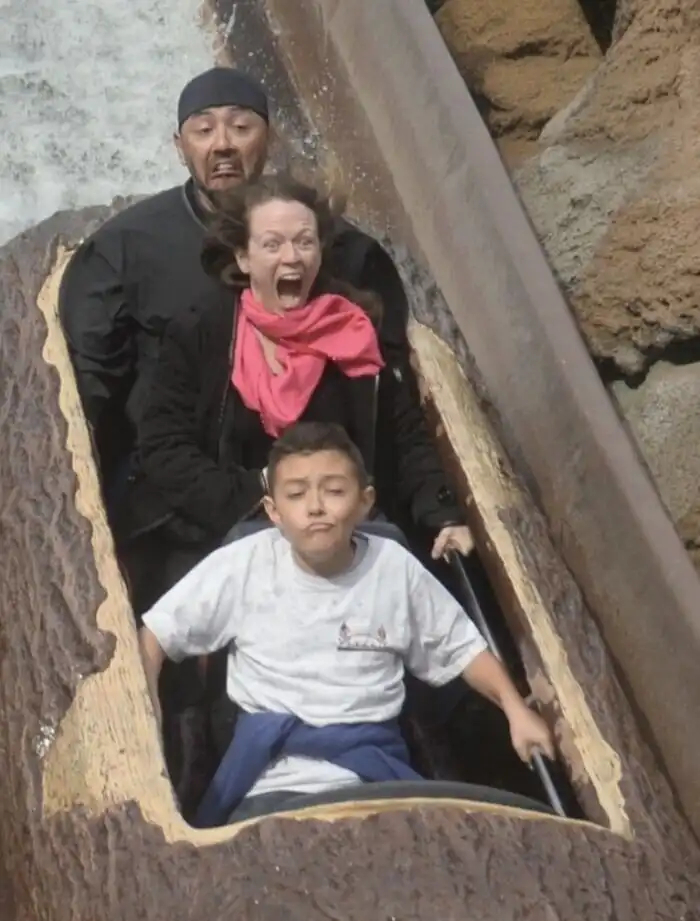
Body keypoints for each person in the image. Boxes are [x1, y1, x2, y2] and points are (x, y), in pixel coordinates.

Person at [139, 422, 554, 827]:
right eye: (296, 494)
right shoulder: (244, 562)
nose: (315, 507)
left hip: (377, 774)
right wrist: (147, 707)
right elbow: (157, 632)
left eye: (334, 491)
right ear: (274, 511)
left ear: (364, 501)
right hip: (269, 782)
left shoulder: (394, 567)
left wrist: (516, 710)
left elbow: (461, 649)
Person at [58, 66, 413, 520]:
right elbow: (92, 390)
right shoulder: (124, 248)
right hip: (179, 495)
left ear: (272, 139)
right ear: (179, 145)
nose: (223, 143)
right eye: (204, 130)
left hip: (328, 496)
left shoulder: (344, 250)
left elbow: (394, 393)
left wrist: (434, 510)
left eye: (241, 127)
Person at [118, 172, 473, 615]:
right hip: (233, 527)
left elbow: (404, 434)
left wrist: (443, 515)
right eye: (272, 245)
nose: (292, 257)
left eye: (305, 242)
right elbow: (164, 446)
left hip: (343, 529)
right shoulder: (199, 331)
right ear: (243, 257)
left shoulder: (354, 329)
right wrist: (259, 494)